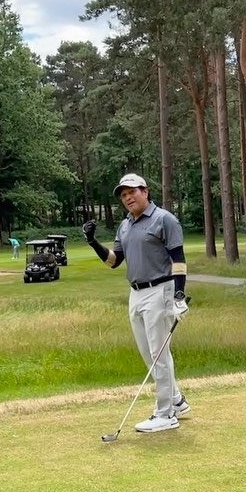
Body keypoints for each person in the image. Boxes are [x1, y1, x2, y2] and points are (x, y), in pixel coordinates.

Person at [83, 173, 190, 434]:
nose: (127, 197)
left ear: (145, 191)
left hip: (159, 290)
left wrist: (178, 295)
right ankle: (176, 400)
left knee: (158, 354)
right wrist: (92, 241)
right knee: (147, 353)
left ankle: (165, 414)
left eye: (132, 191)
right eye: (123, 194)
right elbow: (113, 261)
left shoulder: (164, 219)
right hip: (136, 293)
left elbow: (178, 259)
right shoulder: (125, 225)